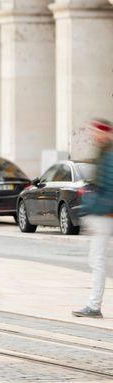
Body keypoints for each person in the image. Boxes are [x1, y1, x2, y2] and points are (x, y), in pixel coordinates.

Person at [74, 118, 113, 319]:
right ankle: (93, 304)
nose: (93, 135)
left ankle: (94, 306)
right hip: (104, 214)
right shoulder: (104, 153)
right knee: (97, 260)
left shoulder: (109, 154)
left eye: (96, 131)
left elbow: (109, 188)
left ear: (106, 133)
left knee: (97, 260)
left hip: (105, 215)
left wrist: (95, 208)